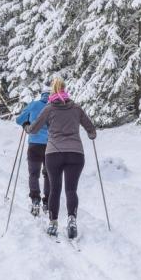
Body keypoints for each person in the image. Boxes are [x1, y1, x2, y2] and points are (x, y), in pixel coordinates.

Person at [28, 77, 96, 239]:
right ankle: (72, 219)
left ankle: (53, 222)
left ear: (52, 91)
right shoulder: (76, 108)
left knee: (55, 190)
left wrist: (27, 126)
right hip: (76, 153)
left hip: (54, 153)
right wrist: (91, 135)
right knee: (71, 189)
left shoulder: (49, 108)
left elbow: (34, 129)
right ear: (65, 91)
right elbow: (91, 129)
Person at [15, 84, 51, 216]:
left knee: (33, 174)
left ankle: (35, 199)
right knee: (49, 174)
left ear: (42, 95)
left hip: (34, 144)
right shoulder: (55, 107)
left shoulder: (34, 104)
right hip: (51, 146)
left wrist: (26, 124)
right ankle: (47, 202)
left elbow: (19, 120)